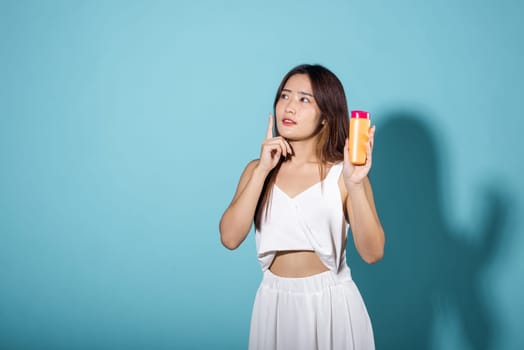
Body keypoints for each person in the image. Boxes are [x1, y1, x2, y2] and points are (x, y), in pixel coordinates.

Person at [219, 64, 385, 350]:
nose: (289, 107)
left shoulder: (344, 175)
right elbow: (230, 238)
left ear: (325, 116)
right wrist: (261, 171)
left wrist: (355, 184)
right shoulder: (256, 170)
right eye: (284, 96)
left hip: (330, 305)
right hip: (274, 303)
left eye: (304, 99)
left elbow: (372, 253)